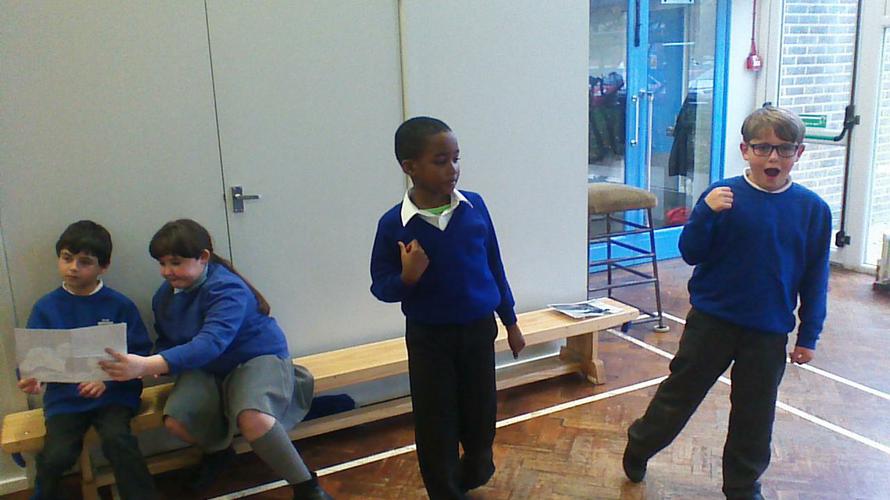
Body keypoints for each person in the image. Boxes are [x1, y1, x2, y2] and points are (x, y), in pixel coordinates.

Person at [621, 105, 832, 500]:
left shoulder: (813, 210)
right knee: (680, 394)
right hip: (712, 323)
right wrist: (704, 213)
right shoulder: (722, 196)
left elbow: (816, 277)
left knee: (755, 413)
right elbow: (690, 252)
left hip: (767, 331)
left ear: (799, 153)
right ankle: (641, 443)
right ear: (745, 150)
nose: (773, 157)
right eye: (762, 147)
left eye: (784, 149)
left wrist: (809, 334)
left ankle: (742, 484)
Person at [99, 219, 330, 500]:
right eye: (162, 263)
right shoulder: (164, 296)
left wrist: (148, 365)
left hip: (255, 358)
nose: (167, 271)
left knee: (253, 417)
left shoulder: (227, 289)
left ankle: (307, 487)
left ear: (203, 257)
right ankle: (219, 452)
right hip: (207, 368)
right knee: (177, 420)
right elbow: (168, 338)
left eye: (175, 263)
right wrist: (156, 362)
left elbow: (210, 343)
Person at [370, 116, 526, 499]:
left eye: (456, 158)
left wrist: (511, 322)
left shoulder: (475, 207)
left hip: (478, 329)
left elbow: (494, 265)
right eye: (440, 161)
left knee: (480, 415)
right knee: (436, 421)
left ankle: (473, 470)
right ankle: (444, 490)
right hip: (429, 338)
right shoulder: (393, 225)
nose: (452, 169)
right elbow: (381, 286)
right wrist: (407, 278)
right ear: (409, 167)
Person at [16, 220, 157, 499]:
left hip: (115, 395)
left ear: (103, 267)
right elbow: (31, 358)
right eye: (67, 258)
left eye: (84, 262)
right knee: (56, 454)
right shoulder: (46, 308)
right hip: (65, 399)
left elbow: (140, 353)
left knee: (118, 441)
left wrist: (108, 381)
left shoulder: (119, 305)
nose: (73, 268)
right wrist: (31, 379)